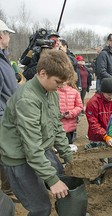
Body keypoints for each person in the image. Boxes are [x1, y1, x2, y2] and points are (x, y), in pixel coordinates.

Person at [0, 49, 74, 216]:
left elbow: (56, 125)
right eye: (58, 82)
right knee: (40, 208)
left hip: (42, 149)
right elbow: (31, 148)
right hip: (19, 158)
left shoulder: (51, 92)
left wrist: (67, 154)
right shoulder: (27, 100)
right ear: (42, 73)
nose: (61, 86)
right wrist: (52, 180)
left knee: (63, 181)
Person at [0, 18, 17, 216]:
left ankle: (8, 190)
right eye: (7, 33)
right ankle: (6, 192)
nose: (9, 37)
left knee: (5, 157)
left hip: (7, 114)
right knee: (6, 155)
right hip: (2, 116)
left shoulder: (4, 57)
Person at [85, 77, 112, 150]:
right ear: (103, 92)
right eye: (109, 95)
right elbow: (93, 123)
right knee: (100, 159)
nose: (111, 97)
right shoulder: (93, 103)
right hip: (97, 138)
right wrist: (105, 136)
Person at [57, 72, 83, 147]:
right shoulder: (54, 92)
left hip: (71, 125)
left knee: (69, 145)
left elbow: (79, 106)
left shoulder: (74, 92)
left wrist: (70, 113)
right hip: (58, 126)